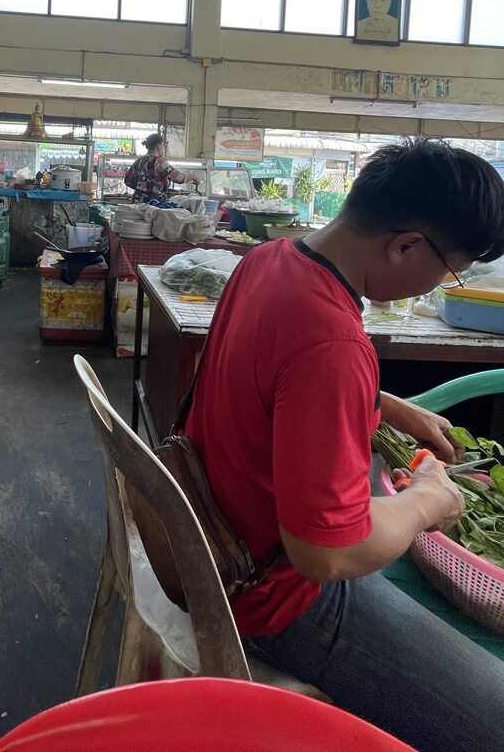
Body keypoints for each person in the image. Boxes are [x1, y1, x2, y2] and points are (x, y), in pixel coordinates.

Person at [185, 138, 504, 752]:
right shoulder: (332, 341)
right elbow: (325, 555)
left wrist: (384, 403)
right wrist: (428, 504)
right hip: (275, 599)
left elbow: (276, 377)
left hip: (221, 538)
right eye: (448, 270)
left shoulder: (271, 260)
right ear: (406, 245)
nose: (438, 284)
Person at [124, 133, 199, 203]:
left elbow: (127, 181)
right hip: (154, 205)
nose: (164, 147)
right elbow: (180, 178)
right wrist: (193, 177)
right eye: (164, 144)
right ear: (158, 145)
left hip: (137, 203)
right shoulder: (159, 161)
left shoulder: (139, 161)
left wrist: (142, 188)